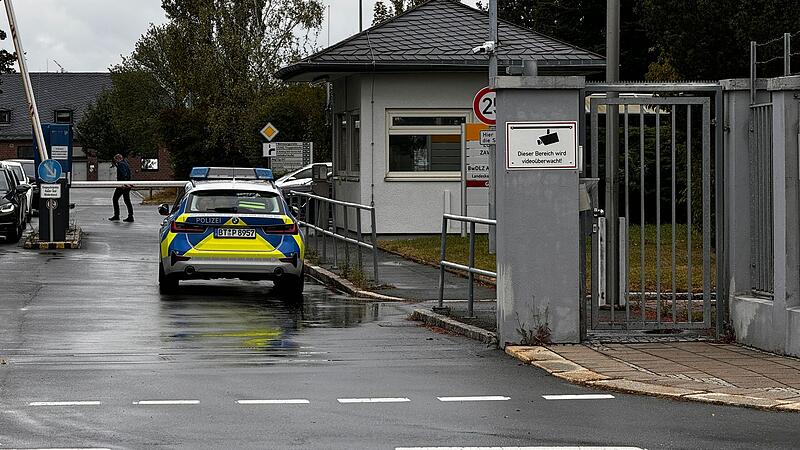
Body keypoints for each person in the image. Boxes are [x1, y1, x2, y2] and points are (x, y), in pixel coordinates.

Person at [109, 154, 134, 222]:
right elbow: (128, 174)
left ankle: (117, 215)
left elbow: (124, 174)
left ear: (118, 159)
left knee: (115, 199)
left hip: (122, 185)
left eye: (115, 160)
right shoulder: (126, 163)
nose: (115, 162)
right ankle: (130, 215)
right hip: (126, 185)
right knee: (127, 200)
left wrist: (123, 184)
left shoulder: (121, 164)